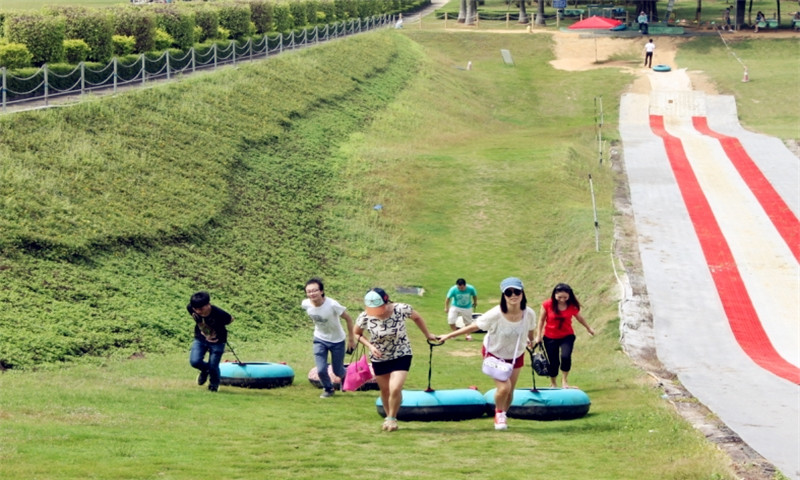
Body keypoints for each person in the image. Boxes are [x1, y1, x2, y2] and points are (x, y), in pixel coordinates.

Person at [439, 277, 536, 431]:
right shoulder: (496, 313)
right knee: (504, 388)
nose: (513, 295)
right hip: (494, 353)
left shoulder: (529, 313)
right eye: (508, 292)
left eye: (516, 291)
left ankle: (503, 413)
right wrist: (448, 335)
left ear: (522, 293)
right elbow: (474, 326)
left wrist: (531, 341)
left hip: (516, 354)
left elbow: (530, 329)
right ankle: (498, 413)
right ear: (504, 295)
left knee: (510, 391)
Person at [354, 287, 438, 431]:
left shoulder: (401, 309)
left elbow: (417, 317)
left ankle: (392, 418)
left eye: (378, 307)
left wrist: (427, 334)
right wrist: (370, 346)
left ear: (386, 301)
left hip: (401, 353)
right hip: (379, 357)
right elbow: (357, 334)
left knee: (395, 387)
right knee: (385, 390)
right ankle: (389, 417)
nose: (375, 311)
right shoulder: (365, 316)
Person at [302, 277, 355, 398]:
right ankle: (328, 389)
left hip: (337, 340)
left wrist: (351, 339)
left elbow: (348, 319)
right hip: (319, 339)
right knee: (321, 369)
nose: (312, 293)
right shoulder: (305, 304)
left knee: (337, 371)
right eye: (309, 291)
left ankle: (345, 377)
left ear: (321, 291)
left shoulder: (332, 304)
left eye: (315, 290)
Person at [534, 283, 595, 389]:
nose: (562, 300)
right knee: (553, 362)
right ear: (555, 295)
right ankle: (553, 383)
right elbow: (541, 320)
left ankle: (564, 381)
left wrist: (588, 328)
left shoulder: (571, 306)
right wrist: (538, 335)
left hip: (567, 336)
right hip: (550, 337)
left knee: (565, 356)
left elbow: (579, 318)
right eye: (559, 297)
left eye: (565, 297)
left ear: (569, 296)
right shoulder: (547, 304)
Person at [187, 291, 234, 392]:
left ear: (208, 304)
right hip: (200, 338)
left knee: (213, 365)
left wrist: (218, 327)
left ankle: (213, 386)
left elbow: (230, 319)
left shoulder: (219, 313)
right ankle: (205, 370)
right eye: (196, 309)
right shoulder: (191, 308)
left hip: (218, 340)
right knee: (195, 361)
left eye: (201, 309)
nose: (199, 312)